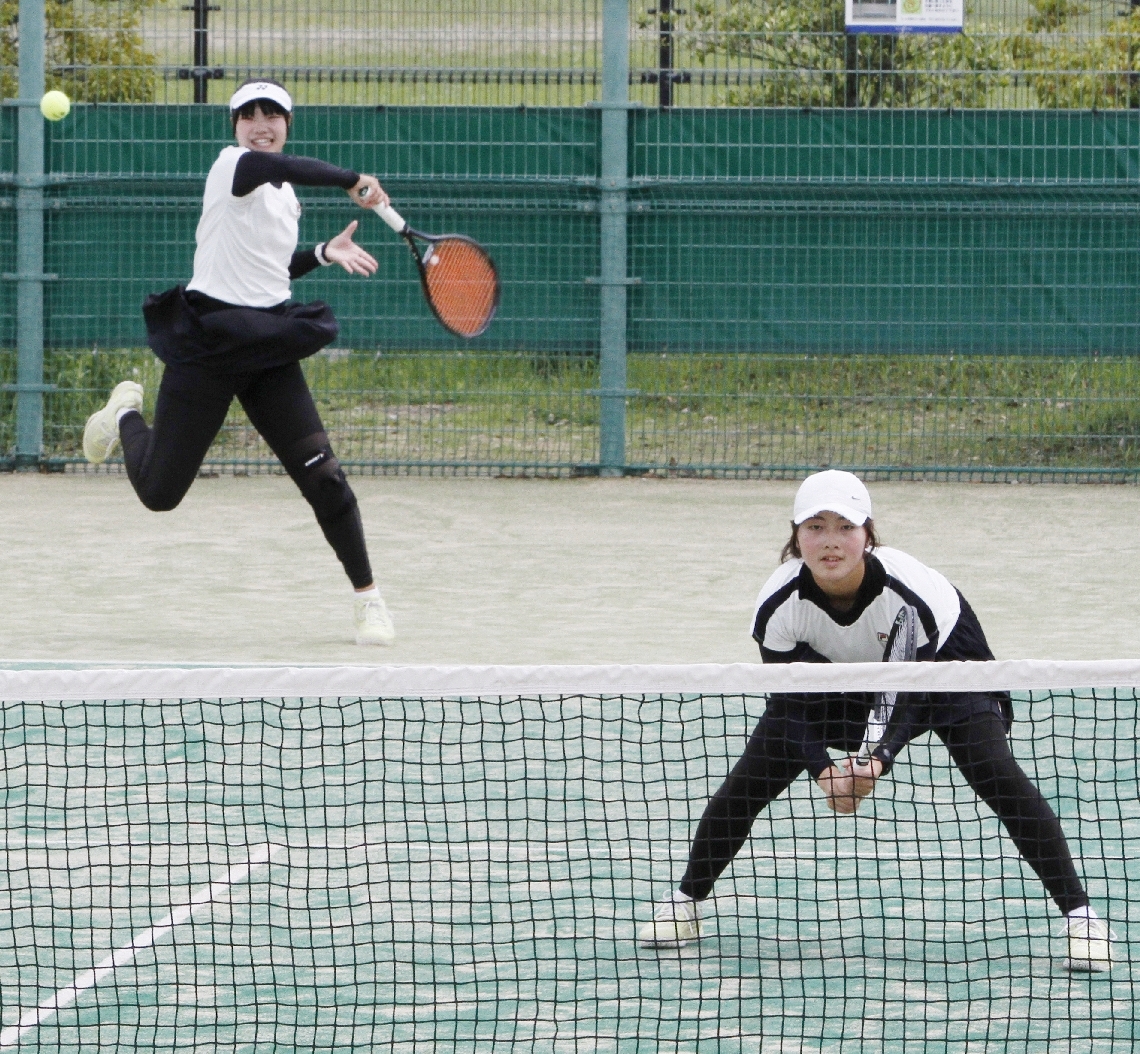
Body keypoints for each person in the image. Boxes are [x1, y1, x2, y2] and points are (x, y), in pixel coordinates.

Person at [638, 469, 1113, 972]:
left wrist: (877, 759)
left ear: (868, 534)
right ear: (795, 535)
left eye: (845, 527)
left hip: (948, 670)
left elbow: (915, 694)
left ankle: (1082, 918)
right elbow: (790, 703)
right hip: (836, 677)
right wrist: (825, 771)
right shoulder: (780, 606)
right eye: (815, 527)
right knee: (750, 780)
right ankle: (685, 903)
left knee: (994, 770)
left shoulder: (908, 592)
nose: (830, 542)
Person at [82, 79, 394, 646]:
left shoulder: (283, 196)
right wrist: (354, 180)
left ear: (287, 123)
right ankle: (124, 414)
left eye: (272, 115)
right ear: (235, 127)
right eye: (248, 115)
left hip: (267, 345)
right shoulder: (236, 166)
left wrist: (323, 253)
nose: (260, 123)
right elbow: (292, 167)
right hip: (209, 344)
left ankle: (369, 601)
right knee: (160, 494)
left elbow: (266, 271)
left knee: (325, 479)